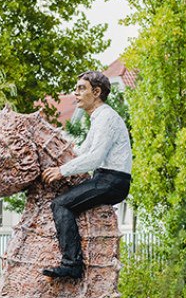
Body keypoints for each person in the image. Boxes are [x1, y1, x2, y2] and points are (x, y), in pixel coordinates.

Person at [41, 70, 132, 280]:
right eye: (75, 89)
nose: (76, 93)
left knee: (61, 205)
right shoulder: (98, 118)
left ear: (97, 92)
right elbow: (82, 152)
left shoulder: (106, 118)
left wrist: (61, 172)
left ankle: (72, 265)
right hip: (105, 177)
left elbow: (95, 158)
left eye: (82, 88)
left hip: (112, 180)